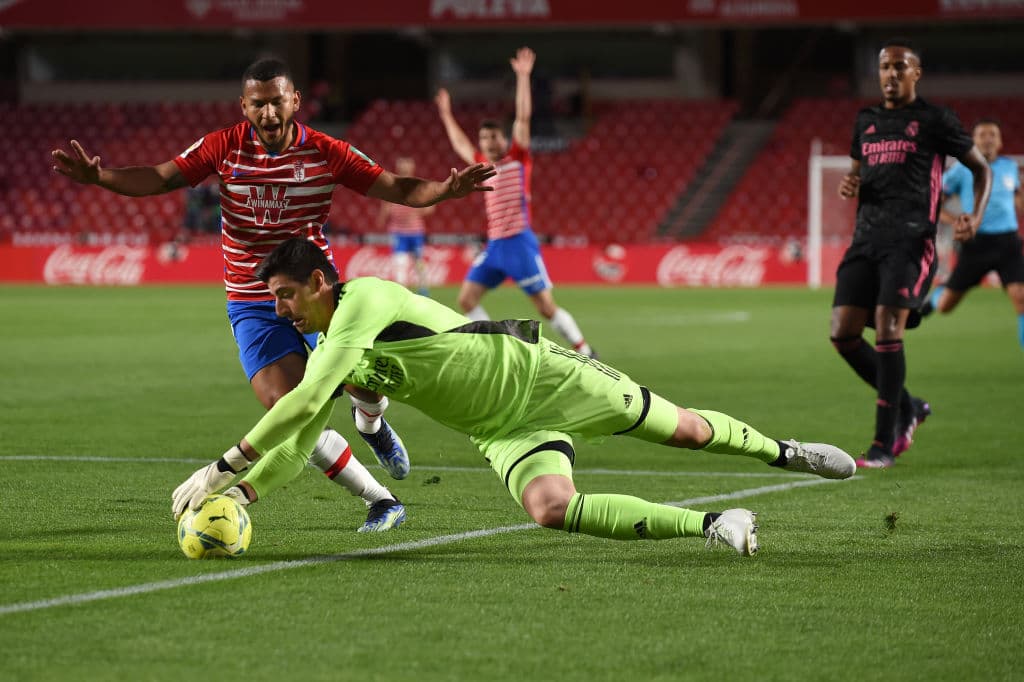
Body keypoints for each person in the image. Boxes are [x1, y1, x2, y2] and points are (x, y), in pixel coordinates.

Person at [172, 237, 859, 558]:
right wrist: (241, 492)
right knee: (550, 510)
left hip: (543, 375)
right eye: (275, 301)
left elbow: (306, 398)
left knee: (684, 431)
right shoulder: (330, 353)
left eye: (287, 296)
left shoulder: (367, 297)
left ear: (320, 282)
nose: (282, 310)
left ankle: (783, 451)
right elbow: (296, 437)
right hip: (500, 427)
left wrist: (225, 462)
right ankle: (715, 524)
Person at [52, 57, 496, 531]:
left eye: (276, 102)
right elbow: (162, 177)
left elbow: (397, 187)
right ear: (244, 106)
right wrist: (101, 177)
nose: (267, 113)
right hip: (251, 299)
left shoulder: (326, 151)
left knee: (362, 383)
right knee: (288, 408)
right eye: (258, 104)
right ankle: (381, 499)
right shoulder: (223, 147)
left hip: (316, 294)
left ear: (295, 102)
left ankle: (371, 423)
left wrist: (443, 191)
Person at [833, 40, 992, 469]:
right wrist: (851, 185)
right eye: (885, 67)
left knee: (887, 329)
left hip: (910, 240)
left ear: (916, 74)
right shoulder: (865, 120)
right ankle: (910, 406)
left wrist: (973, 216)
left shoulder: (935, 120)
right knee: (843, 333)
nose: (891, 75)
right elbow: (856, 174)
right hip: (865, 239)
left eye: (900, 68)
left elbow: (981, 168)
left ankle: (884, 444)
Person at [435, 47, 597, 358]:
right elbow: (460, 144)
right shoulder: (482, 164)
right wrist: (445, 113)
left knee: (546, 307)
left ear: (504, 139)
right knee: (466, 300)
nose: (489, 142)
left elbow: (523, 116)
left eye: (494, 137)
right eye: (484, 139)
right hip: (495, 247)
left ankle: (585, 350)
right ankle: (497, 349)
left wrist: (523, 76)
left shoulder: (518, 158)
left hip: (520, 243)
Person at [920, 120, 1024, 349]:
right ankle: (937, 297)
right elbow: (935, 203)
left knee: (1021, 296)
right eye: (982, 134)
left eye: (992, 134)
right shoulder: (961, 169)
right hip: (976, 244)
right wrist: (956, 220)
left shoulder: (1009, 167)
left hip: (1008, 242)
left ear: (1000, 141)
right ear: (973, 141)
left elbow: (1018, 199)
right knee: (947, 305)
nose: (987, 138)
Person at [378, 156, 434, 296]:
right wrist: (383, 217)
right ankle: (401, 293)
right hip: (398, 231)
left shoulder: (418, 185)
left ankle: (423, 291)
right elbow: (385, 206)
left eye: (407, 165)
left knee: (419, 262)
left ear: (412, 167)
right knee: (400, 263)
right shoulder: (392, 185)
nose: (405, 168)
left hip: (415, 231)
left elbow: (430, 207)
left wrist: (417, 209)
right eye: (402, 165)